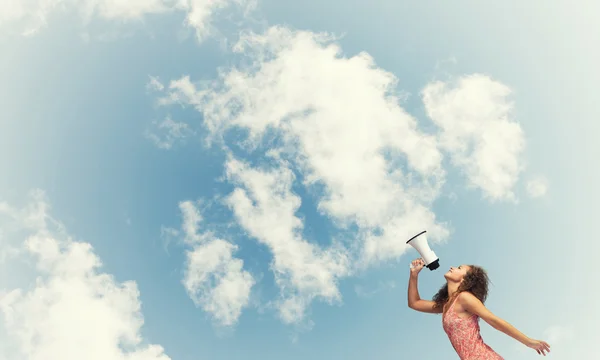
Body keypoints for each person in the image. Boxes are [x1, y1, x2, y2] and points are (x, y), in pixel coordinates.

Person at [407, 258, 551, 359]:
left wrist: (529, 342)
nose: (452, 267)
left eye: (459, 268)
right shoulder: (446, 305)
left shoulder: (464, 298)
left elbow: (494, 321)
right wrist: (414, 274)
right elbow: (414, 303)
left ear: (465, 279)